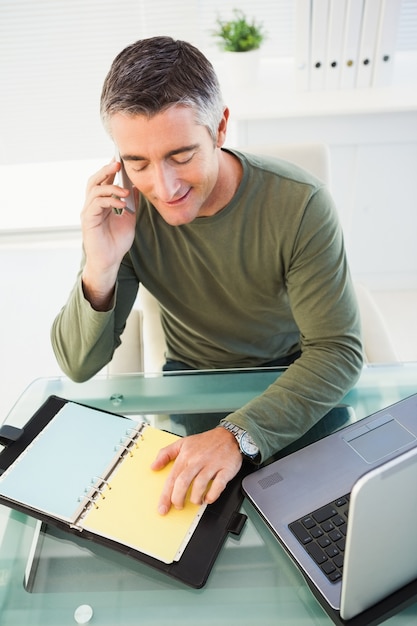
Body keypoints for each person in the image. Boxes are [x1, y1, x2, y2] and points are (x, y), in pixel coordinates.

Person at [51, 36, 363, 516]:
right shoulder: (126, 213)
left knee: (329, 521)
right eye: (137, 163)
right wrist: (101, 264)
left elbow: (338, 352)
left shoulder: (300, 204)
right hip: (194, 380)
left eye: (180, 155)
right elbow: (78, 367)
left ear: (219, 129)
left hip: (293, 373)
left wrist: (239, 435)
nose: (164, 186)